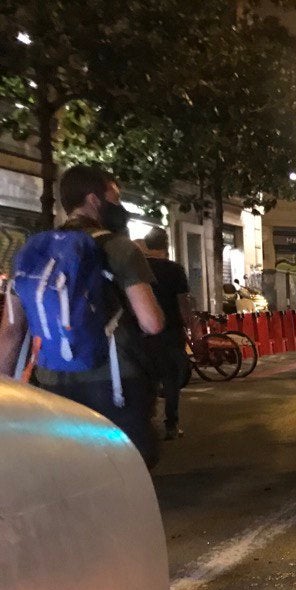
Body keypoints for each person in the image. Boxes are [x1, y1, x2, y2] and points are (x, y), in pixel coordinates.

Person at [0, 165, 166, 467]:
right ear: (93, 199)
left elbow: (11, 332)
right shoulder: (120, 249)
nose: (119, 207)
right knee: (128, 470)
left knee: (73, 470)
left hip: (54, 385)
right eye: (113, 197)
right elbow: (151, 323)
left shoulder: (31, 253)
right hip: (115, 385)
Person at [139, 227, 194, 441]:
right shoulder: (174, 270)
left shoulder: (139, 268)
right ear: (166, 244)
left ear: (147, 244)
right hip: (171, 331)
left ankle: (146, 423)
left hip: (142, 332)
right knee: (171, 379)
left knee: (146, 377)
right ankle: (171, 424)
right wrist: (192, 327)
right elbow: (183, 302)